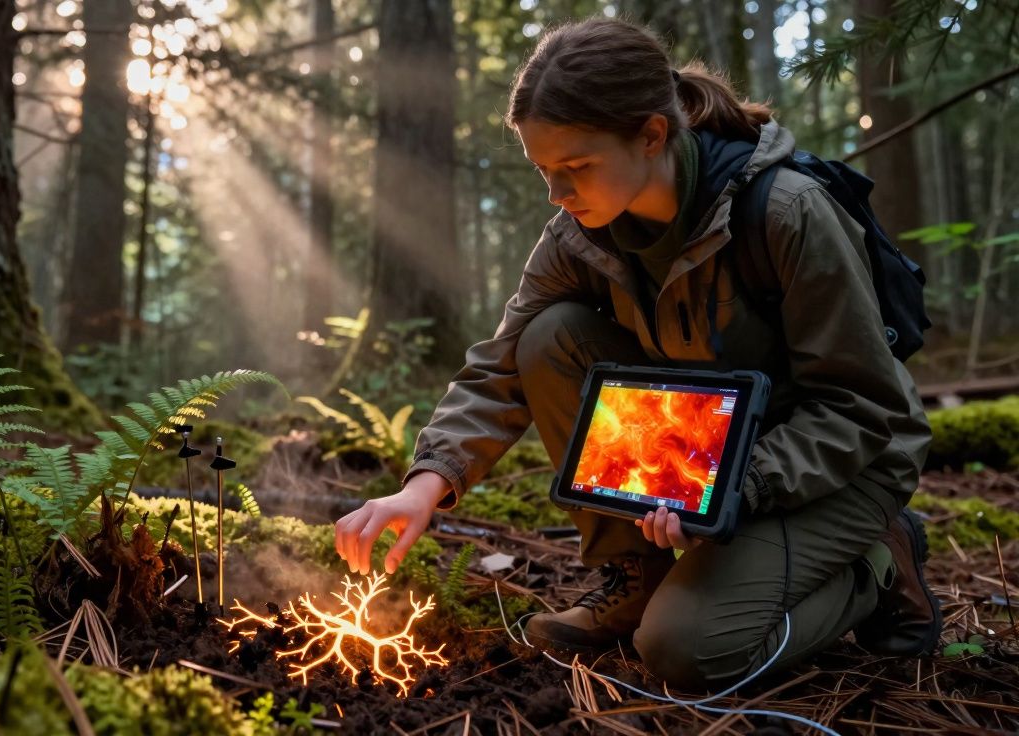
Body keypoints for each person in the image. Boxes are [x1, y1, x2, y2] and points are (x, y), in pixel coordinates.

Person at [333, 16, 942, 691]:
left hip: (842, 462)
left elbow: (859, 406)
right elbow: (505, 361)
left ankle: (879, 565)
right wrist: (425, 486)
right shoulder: (580, 234)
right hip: (707, 446)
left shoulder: (785, 212)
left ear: (652, 135)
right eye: (543, 170)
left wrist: (731, 488)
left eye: (576, 168)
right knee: (550, 335)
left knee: (687, 650)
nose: (557, 194)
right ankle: (636, 573)